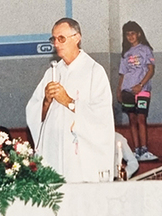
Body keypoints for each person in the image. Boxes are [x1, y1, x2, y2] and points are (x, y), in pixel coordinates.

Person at [25, 18, 116, 182]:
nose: (56, 44)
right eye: (54, 39)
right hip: (53, 151)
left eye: (61, 38)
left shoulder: (94, 71)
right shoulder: (51, 72)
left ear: (77, 38)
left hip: (79, 157)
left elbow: (101, 117)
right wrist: (46, 101)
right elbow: (34, 113)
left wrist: (68, 101)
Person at [117, 21, 157, 161]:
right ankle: (137, 150)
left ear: (138, 34)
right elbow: (122, 74)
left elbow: (151, 70)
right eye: (127, 34)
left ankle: (145, 150)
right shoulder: (126, 54)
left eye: (132, 33)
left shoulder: (145, 49)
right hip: (127, 91)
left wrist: (140, 85)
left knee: (141, 118)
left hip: (142, 90)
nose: (130, 37)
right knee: (132, 119)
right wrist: (119, 91)